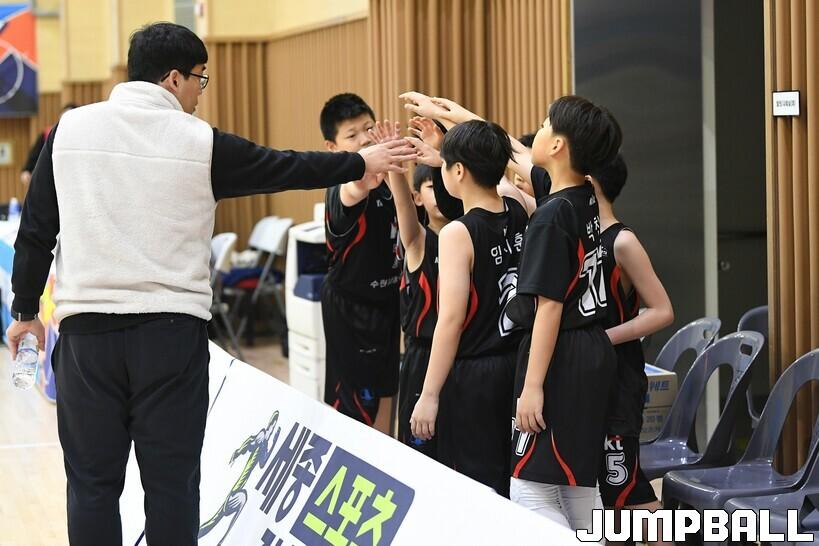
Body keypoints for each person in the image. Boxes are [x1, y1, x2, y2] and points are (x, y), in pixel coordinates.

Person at [7, 22, 413, 546]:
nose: (200, 92)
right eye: (200, 79)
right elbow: (285, 166)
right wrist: (359, 161)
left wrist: (25, 313)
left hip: (87, 341)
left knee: (91, 487)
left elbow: (36, 231)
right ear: (173, 78)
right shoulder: (200, 142)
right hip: (171, 340)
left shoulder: (68, 132)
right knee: (172, 489)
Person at [509, 96, 621, 530]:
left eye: (543, 125)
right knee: (576, 488)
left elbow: (549, 307)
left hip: (561, 359)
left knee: (529, 492)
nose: (535, 132)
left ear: (557, 145)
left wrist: (532, 386)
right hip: (588, 351)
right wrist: (454, 116)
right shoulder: (583, 194)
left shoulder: (551, 217)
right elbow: (516, 154)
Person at [410, 120, 529, 497]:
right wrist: (444, 152)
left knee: (474, 490)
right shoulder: (519, 210)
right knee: (510, 482)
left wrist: (429, 394)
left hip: (475, 377)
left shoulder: (456, 233)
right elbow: (502, 179)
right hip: (517, 366)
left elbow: (450, 320)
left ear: (458, 171)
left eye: (445, 165)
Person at [592, 154, 673, 546]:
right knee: (610, 496)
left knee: (627, 489)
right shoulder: (576, 232)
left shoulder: (621, 240)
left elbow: (662, 311)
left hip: (618, 378)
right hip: (590, 376)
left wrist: (602, 338)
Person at [320, 93, 403, 433]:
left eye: (368, 128)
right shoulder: (347, 186)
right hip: (352, 312)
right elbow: (352, 191)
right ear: (332, 148)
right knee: (356, 414)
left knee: (386, 395)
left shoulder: (387, 180)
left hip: (387, 303)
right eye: (351, 135)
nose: (365, 139)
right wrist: (360, 178)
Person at [370, 119, 450, 458]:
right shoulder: (419, 241)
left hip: (461, 357)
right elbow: (402, 206)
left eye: (443, 182)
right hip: (422, 357)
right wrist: (394, 167)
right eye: (430, 186)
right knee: (420, 454)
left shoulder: (471, 234)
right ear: (418, 196)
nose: (439, 192)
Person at [20, 103, 76, 186]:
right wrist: (27, 170)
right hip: (51, 178)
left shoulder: (82, 136)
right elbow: (36, 153)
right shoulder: (48, 134)